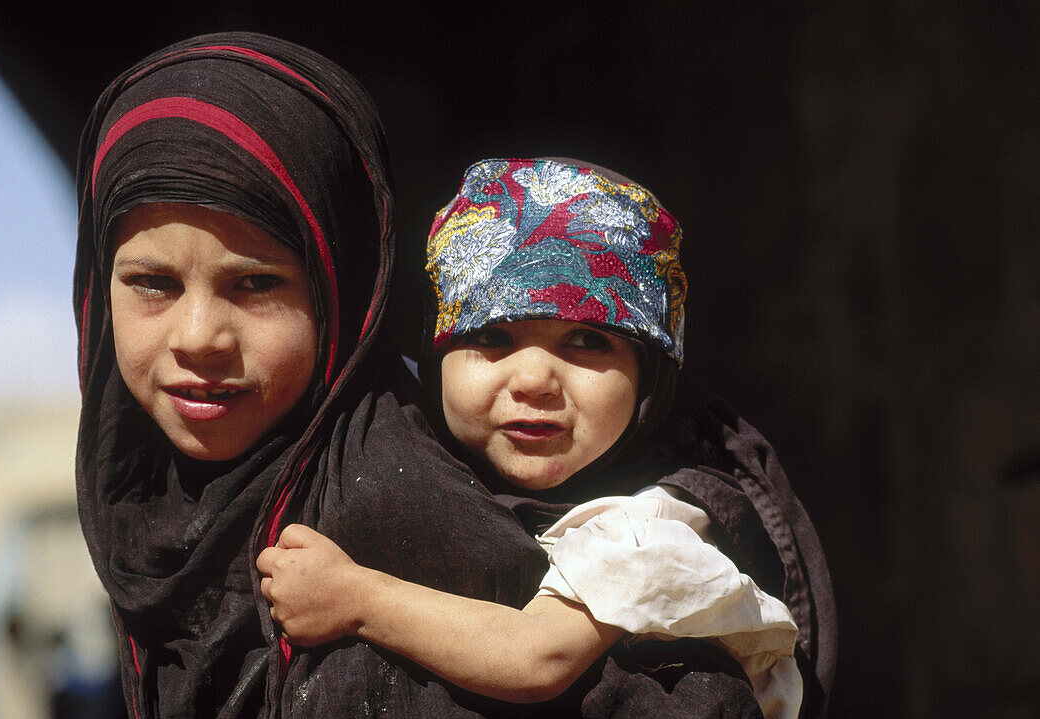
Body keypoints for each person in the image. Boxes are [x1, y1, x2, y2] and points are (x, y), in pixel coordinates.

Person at [76, 36, 782, 719]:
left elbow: (537, 657)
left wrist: (361, 597)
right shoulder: (151, 500)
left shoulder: (409, 506)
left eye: (257, 282)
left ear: (344, 285)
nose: (199, 337)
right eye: (152, 283)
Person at [258, 158, 838, 718]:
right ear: (435, 356)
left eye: (587, 341)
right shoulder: (388, 436)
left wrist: (356, 600)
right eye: (492, 335)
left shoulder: (650, 523)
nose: (534, 380)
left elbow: (535, 657)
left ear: (651, 377)